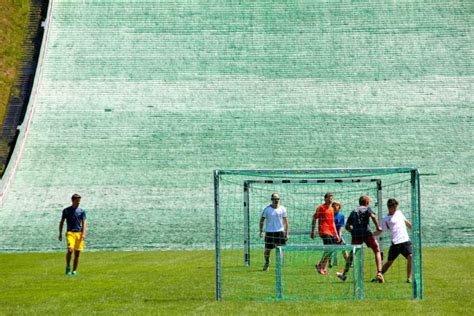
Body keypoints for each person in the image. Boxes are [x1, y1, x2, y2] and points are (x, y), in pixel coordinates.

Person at [336, 195, 383, 283]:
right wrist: (378, 227)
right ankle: (379, 273)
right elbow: (372, 216)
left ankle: (344, 274)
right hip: (366, 232)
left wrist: (353, 231)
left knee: (352, 254)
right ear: (367, 203)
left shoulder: (353, 211)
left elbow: (347, 226)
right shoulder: (367, 209)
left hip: (356, 234)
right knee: (377, 250)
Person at [379, 198, 413, 283]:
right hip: (396, 243)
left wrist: (414, 228)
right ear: (389, 207)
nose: (395, 209)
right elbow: (381, 230)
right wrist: (372, 235)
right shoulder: (385, 218)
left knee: (411, 257)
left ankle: (409, 278)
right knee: (389, 262)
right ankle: (379, 275)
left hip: (405, 240)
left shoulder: (399, 213)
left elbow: (406, 222)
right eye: (393, 207)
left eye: (396, 207)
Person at [311, 192, 340, 275]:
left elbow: (333, 222)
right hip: (323, 231)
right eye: (329, 198)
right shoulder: (320, 208)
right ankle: (321, 266)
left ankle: (321, 265)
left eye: (332, 198)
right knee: (329, 248)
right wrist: (313, 230)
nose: (331, 199)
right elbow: (314, 218)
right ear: (325, 199)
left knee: (331, 249)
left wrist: (336, 234)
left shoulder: (331, 209)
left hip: (331, 232)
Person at [59, 194, 87, 276]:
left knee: (77, 253)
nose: (78, 202)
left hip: (79, 233)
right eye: (77, 200)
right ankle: (68, 266)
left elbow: (84, 222)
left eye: (79, 200)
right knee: (70, 250)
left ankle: (74, 270)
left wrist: (83, 233)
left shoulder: (82, 211)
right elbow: (62, 222)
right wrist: (60, 233)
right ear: (73, 200)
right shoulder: (66, 210)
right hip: (70, 233)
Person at [259, 193, 289, 271]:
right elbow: (262, 220)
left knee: (281, 250)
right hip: (269, 232)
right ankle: (267, 262)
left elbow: (286, 222)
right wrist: (261, 231)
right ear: (271, 199)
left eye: (278, 199)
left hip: (280, 232)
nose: (276, 200)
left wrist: (286, 233)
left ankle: (280, 266)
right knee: (267, 250)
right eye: (275, 199)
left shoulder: (283, 209)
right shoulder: (267, 209)